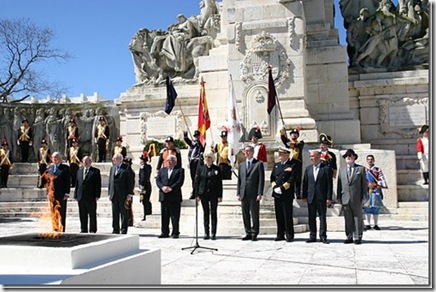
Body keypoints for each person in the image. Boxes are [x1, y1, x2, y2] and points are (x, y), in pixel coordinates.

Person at [302, 150, 333, 244]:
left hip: (322, 197)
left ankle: (323, 236)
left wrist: (329, 198)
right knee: (311, 217)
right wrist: (304, 195)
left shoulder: (326, 168)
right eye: (310, 156)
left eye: (313, 156)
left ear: (319, 156)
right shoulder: (308, 169)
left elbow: (329, 184)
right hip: (311, 196)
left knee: (322, 217)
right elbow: (305, 183)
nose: (311, 158)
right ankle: (312, 235)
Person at [337, 149, 367, 244]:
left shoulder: (360, 169)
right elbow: (339, 184)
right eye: (347, 156)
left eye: (350, 156)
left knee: (357, 217)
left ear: (354, 158)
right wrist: (339, 197)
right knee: (348, 218)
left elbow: (364, 184)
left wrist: (364, 196)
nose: (348, 157)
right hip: (345, 197)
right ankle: (349, 236)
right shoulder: (341, 170)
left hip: (356, 197)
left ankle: (357, 236)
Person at [270, 147, 300, 242]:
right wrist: (275, 187)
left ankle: (289, 235)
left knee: (287, 215)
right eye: (279, 154)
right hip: (277, 193)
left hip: (286, 193)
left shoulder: (292, 165)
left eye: (281, 154)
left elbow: (292, 179)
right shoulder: (276, 165)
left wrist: (282, 188)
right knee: (279, 215)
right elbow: (272, 178)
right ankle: (280, 234)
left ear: (286, 155)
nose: (279, 156)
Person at [237, 145, 265, 241]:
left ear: (252, 152)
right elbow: (240, 180)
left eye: (249, 151)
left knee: (254, 214)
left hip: (254, 193)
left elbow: (261, 180)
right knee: (245, 214)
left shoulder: (258, 164)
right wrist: (238, 193)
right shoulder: (241, 165)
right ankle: (248, 232)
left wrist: (260, 193)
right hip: (244, 192)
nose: (247, 153)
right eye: (245, 151)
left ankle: (254, 232)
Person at [194, 151, 223, 240]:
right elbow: (197, 182)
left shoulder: (217, 169)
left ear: (212, 158)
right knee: (205, 213)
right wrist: (196, 194)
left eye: (209, 157)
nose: (207, 158)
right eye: (206, 157)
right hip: (203, 193)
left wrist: (220, 195)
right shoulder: (201, 168)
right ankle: (206, 232)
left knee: (213, 212)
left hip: (213, 194)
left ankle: (213, 232)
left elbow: (219, 183)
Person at [156, 154, 185, 239]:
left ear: (175, 162)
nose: (169, 162)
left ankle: (175, 232)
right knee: (164, 215)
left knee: (175, 215)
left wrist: (171, 188)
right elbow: (158, 180)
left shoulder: (179, 170)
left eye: (171, 160)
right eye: (168, 160)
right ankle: (164, 232)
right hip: (164, 195)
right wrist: (162, 187)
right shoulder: (162, 170)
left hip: (174, 196)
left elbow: (180, 181)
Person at [73, 156, 101, 233]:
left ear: (90, 162)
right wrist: (76, 195)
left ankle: (92, 229)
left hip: (91, 196)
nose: (85, 162)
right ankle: (83, 229)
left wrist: (97, 195)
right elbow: (77, 184)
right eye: (84, 161)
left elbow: (97, 184)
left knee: (92, 214)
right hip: (81, 196)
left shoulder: (95, 171)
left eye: (87, 161)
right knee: (82, 214)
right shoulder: (79, 171)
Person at [108, 153, 134, 234]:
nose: (113, 160)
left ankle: (123, 229)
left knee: (124, 213)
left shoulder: (126, 168)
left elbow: (130, 182)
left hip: (123, 194)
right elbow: (110, 181)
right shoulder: (113, 168)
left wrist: (129, 194)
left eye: (115, 159)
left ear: (119, 159)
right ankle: (115, 228)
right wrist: (110, 192)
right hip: (114, 194)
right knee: (115, 213)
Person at [363, 155, 388, 231]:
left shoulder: (377, 170)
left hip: (375, 190)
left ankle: (376, 224)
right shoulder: (364, 170)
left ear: (373, 160)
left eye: (371, 159)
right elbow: (362, 180)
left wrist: (375, 184)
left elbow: (381, 179)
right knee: (367, 207)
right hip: (367, 191)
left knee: (375, 207)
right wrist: (367, 185)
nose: (370, 161)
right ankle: (368, 224)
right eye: (368, 159)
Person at [48, 152, 70, 232]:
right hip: (52, 194)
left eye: (56, 157)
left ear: (60, 158)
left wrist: (67, 193)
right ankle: (55, 228)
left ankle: (62, 228)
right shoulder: (50, 168)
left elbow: (67, 181)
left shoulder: (65, 168)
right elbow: (48, 181)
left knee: (61, 212)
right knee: (53, 212)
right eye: (53, 157)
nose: (55, 158)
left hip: (61, 194)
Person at [280, 128, 304, 199]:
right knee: (289, 177)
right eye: (293, 134)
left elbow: (298, 145)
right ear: (290, 135)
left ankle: (298, 193)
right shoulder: (288, 142)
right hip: (290, 162)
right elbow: (283, 138)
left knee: (298, 178)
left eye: (295, 134)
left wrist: (290, 143)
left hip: (297, 162)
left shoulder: (300, 142)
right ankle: (291, 193)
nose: (294, 135)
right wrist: (282, 131)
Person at [184, 130, 204, 199]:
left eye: (197, 136)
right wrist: (185, 135)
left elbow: (202, 149)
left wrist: (200, 142)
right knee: (193, 178)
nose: (196, 137)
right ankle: (194, 191)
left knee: (197, 177)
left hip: (197, 161)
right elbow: (187, 140)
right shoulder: (193, 143)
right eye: (195, 136)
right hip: (192, 161)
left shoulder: (200, 143)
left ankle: (196, 192)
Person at [139, 151, 153, 221]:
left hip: (144, 186)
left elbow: (143, 177)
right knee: (147, 200)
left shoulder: (143, 167)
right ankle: (148, 213)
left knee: (144, 200)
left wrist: (141, 186)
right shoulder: (149, 166)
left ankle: (146, 214)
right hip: (148, 185)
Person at [123, 156, 136, 227]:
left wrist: (130, 193)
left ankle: (129, 221)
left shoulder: (129, 171)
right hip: (125, 191)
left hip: (128, 192)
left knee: (128, 207)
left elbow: (131, 183)